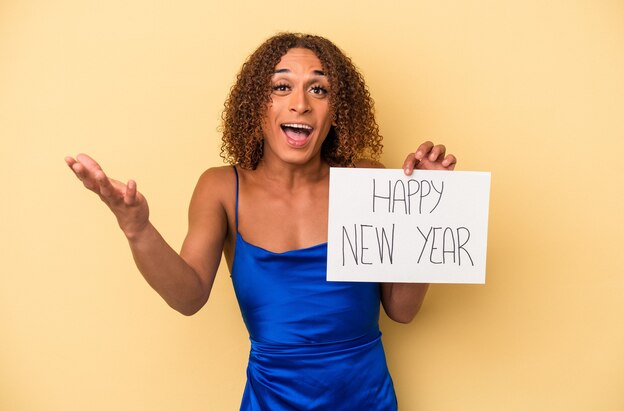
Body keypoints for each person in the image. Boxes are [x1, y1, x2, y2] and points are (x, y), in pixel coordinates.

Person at [65, 33, 456, 410]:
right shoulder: (220, 187)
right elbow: (188, 297)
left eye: (318, 89)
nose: (300, 103)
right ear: (257, 104)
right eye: (281, 87)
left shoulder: (367, 180)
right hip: (271, 403)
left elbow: (402, 310)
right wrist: (136, 227)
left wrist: (421, 213)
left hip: (367, 402)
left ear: (336, 110)